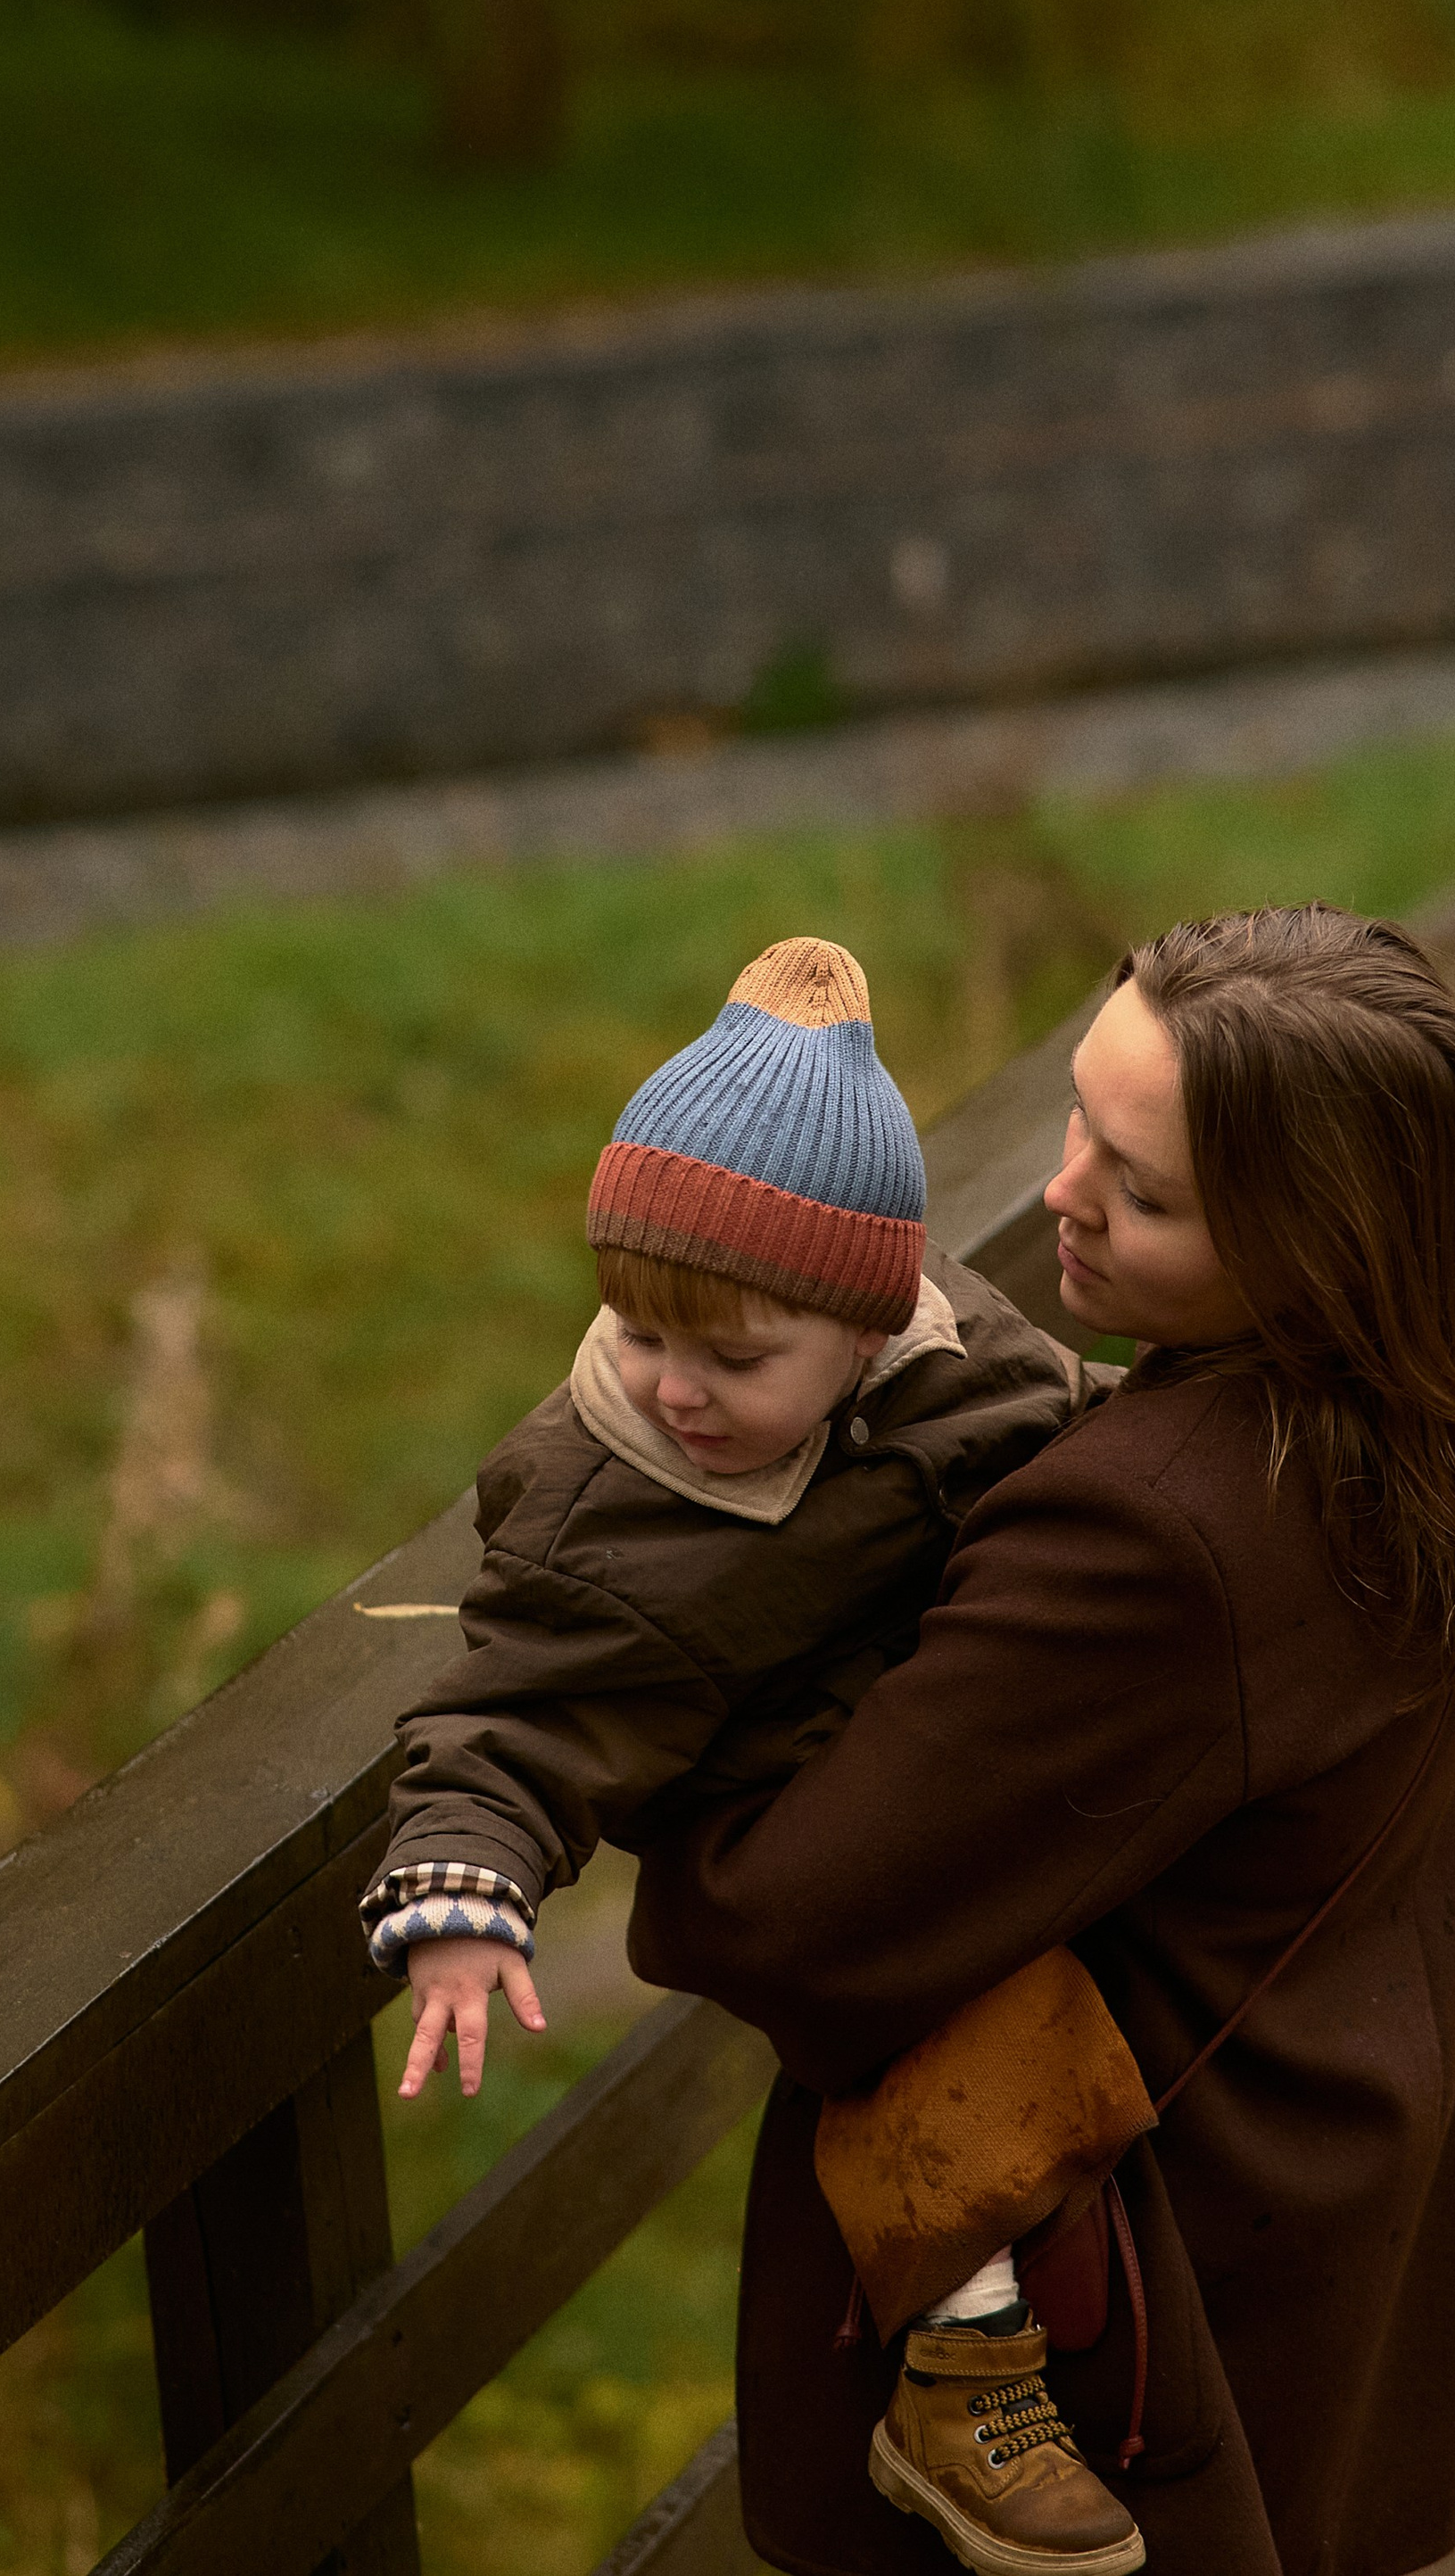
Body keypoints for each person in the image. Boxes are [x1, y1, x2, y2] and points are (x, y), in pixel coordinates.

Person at [624, 905, 1455, 2576]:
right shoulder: (1447, 1413)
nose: (1063, 1186)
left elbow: (790, 1919)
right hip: (1335, 2209)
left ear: (1318, 1245)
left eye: (1143, 1190)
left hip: (1128, 2340)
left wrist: (632, 1689)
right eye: (1084, 1113)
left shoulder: (1161, 1540)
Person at [362, 937, 1163, 2571]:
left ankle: (1098, 2302)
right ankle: (964, 2370)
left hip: (942, 1748)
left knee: (1094, 2013)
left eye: (735, 1357)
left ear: (871, 1328)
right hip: (796, 1823)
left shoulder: (958, 1360)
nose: (677, 1389)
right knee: (954, 2044)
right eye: (645, 1331)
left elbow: (1073, 1428)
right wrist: (459, 1887)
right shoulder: (610, 1509)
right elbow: (511, 1711)